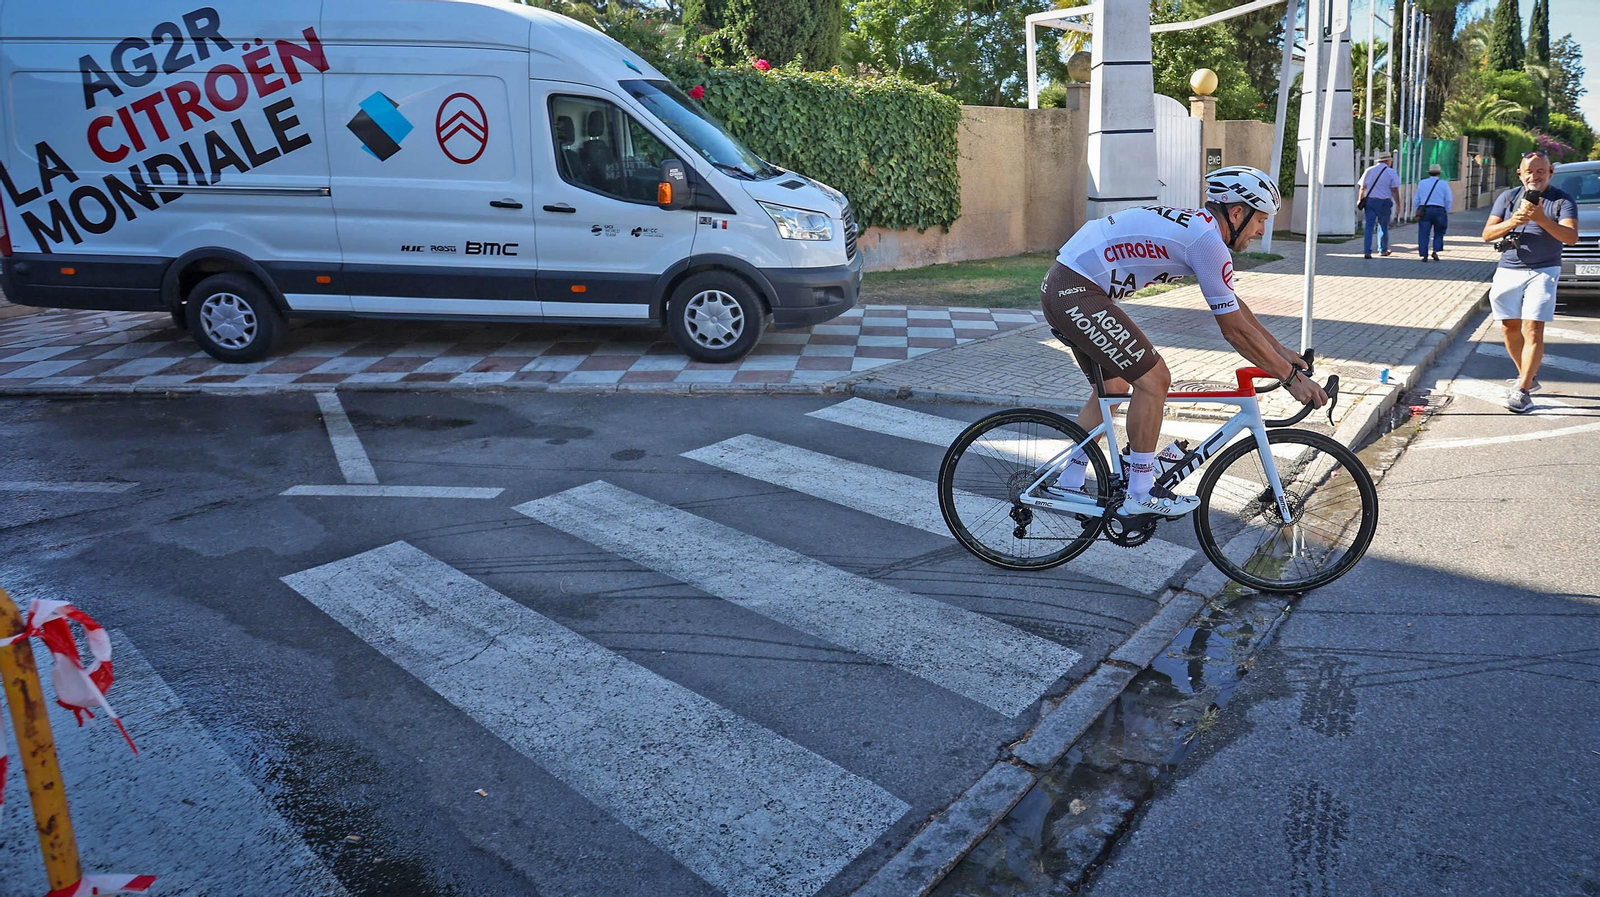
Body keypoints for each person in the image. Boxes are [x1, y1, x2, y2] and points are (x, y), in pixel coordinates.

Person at [1040, 166, 1328, 518]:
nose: (1261, 231)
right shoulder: (1206, 242)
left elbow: (1233, 307)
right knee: (1155, 378)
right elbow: (1233, 331)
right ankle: (1140, 491)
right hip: (1074, 290)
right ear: (1237, 213)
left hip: (1066, 285)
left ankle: (1068, 481)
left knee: (1115, 387)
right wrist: (1290, 378)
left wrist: (1281, 352)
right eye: (1260, 220)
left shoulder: (1202, 232)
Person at [1482, 150, 1579, 414]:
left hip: (1544, 269)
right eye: (1529, 171)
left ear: (1550, 173)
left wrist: (1540, 219)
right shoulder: (1508, 197)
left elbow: (1571, 237)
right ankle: (1528, 375)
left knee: (1533, 328)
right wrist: (1514, 220)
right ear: (1520, 174)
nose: (1534, 176)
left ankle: (1523, 391)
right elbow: (1487, 234)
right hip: (1509, 269)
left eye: (1540, 171)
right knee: (1509, 327)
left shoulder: (1562, 200)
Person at [1357, 152, 1401, 259]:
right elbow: (1394, 190)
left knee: (1369, 226)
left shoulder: (1369, 170)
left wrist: (1359, 199)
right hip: (1384, 202)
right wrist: (1398, 204)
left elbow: (1362, 187)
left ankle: (1367, 251)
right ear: (1387, 161)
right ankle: (1382, 250)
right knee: (1383, 226)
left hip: (1370, 201)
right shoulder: (1391, 172)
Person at [1413, 163, 1454, 261]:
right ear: (1439, 173)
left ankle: (1424, 254)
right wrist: (1446, 209)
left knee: (1424, 233)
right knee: (1439, 231)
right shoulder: (1444, 184)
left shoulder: (1422, 183)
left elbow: (1416, 199)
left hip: (1425, 209)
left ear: (1429, 173)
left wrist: (1417, 209)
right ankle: (1435, 250)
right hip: (1439, 210)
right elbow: (1449, 199)